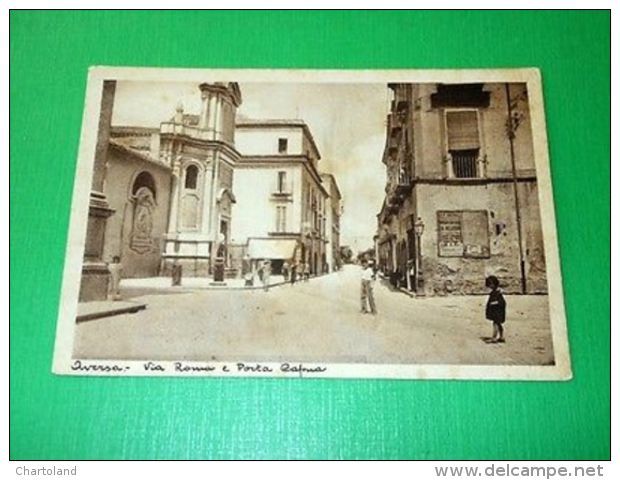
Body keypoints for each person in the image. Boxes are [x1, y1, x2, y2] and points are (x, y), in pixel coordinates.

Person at [484, 275, 506, 343]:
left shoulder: (497, 292)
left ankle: (494, 337)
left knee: (495, 324)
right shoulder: (495, 292)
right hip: (497, 311)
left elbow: (501, 302)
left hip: (497, 311)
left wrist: (494, 303)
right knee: (498, 324)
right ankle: (501, 337)